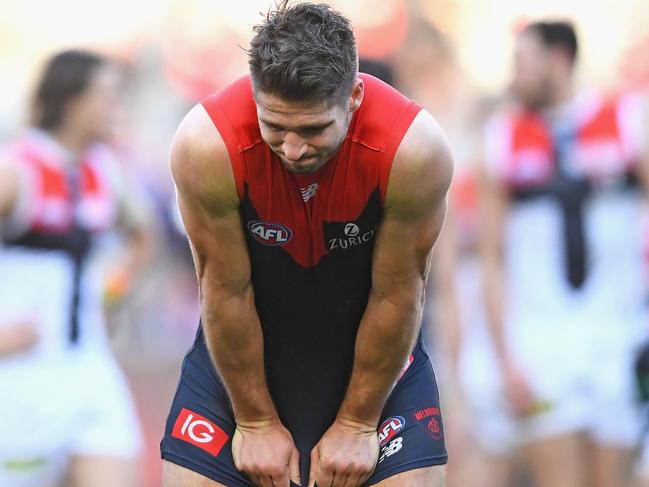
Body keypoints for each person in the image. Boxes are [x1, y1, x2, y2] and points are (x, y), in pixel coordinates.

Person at [160, 2, 453, 487]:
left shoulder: (414, 150)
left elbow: (398, 294)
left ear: (354, 97)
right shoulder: (206, 144)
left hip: (373, 358)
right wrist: (254, 421)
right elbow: (225, 291)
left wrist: (358, 423)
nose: (293, 149)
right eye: (274, 127)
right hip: (244, 356)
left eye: (314, 129)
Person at [480, 21, 649, 487]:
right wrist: (504, 355)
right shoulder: (503, 134)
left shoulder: (626, 118)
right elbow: (490, 259)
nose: (514, 76)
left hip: (616, 334)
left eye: (523, 62)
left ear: (558, 59)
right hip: (541, 340)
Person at [0, 49, 150, 487]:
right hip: (20, 373)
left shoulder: (106, 169)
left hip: (89, 364)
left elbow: (142, 237)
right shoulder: (17, 168)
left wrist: (110, 294)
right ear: (70, 101)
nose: (117, 109)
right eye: (107, 96)